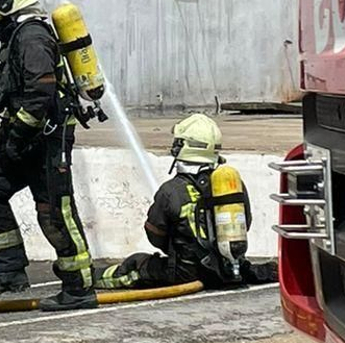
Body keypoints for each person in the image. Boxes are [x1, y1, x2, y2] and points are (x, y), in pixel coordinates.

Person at [0, 0, 96, 313]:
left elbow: (40, 94)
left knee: (55, 212)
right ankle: (10, 272)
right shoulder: (17, 35)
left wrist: (19, 135)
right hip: (22, 137)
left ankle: (79, 287)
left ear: (8, 0)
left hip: (45, 140)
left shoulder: (33, 37)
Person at [99, 113, 270, 292]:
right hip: (230, 270)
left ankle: (93, 280)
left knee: (138, 263)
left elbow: (155, 235)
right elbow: (246, 222)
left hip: (186, 274)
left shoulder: (171, 190)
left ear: (184, 146)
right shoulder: (232, 184)